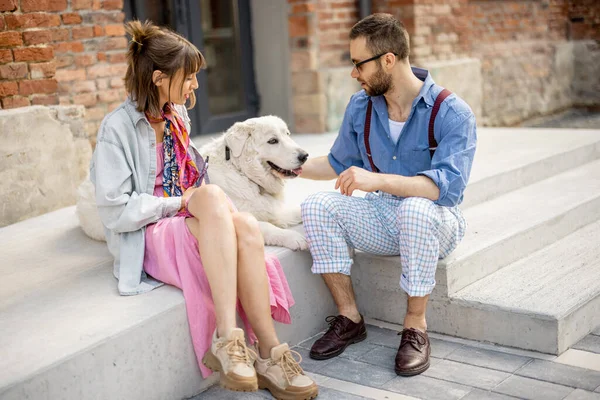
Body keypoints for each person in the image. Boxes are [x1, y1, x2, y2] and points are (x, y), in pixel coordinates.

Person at [90, 20, 318, 399]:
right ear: (160, 77)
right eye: (189, 77)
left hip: (191, 225)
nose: (196, 85)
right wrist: (180, 202)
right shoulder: (116, 129)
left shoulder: (176, 116)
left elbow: (191, 181)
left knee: (245, 225)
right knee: (210, 198)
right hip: (148, 234)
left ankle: (270, 353)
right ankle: (228, 339)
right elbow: (115, 211)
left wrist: (194, 199)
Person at [299, 13, 476, 376]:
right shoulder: (361, 107)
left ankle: (415, 328)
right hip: (381, 217)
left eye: (358, 64)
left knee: (414, 209)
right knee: (316, 206)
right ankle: (349, 318)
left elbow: (443, 188)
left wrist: (377, 181)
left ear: (388, 60)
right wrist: (282, 166)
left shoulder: (452, 112)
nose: (354, 74)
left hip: (436, 220)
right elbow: (336, 163)